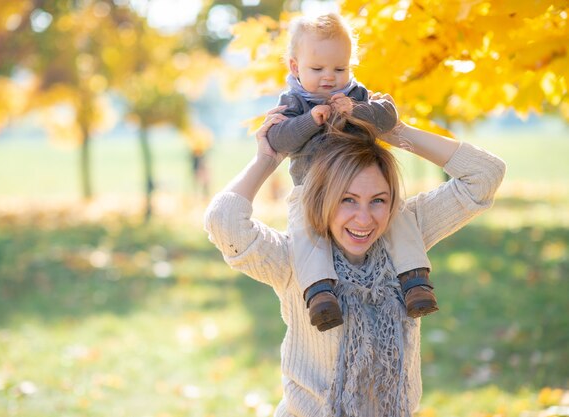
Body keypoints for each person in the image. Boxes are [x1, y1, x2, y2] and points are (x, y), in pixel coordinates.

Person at [204, 100, 506, 416]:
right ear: (322, 199)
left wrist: (395, 131)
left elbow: (485, 175)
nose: (364, 219)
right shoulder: (295, 256)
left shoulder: (405, 234)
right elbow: (224, 222)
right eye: (347, 200)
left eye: (378, 200)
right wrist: (267, 159)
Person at [266, 13, 437, 331]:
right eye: (317, 69)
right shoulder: (294, 102)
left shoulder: (355, 94)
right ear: (295, 67)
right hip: (312, 189)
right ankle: (319, 293)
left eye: (340, 69)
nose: (329, 77)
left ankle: (415, 281)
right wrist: (309, 121)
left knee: (397, 215)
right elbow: (279, 139)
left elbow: (387, 116)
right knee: (305, 231)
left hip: (363, 182)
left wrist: (357, 111)